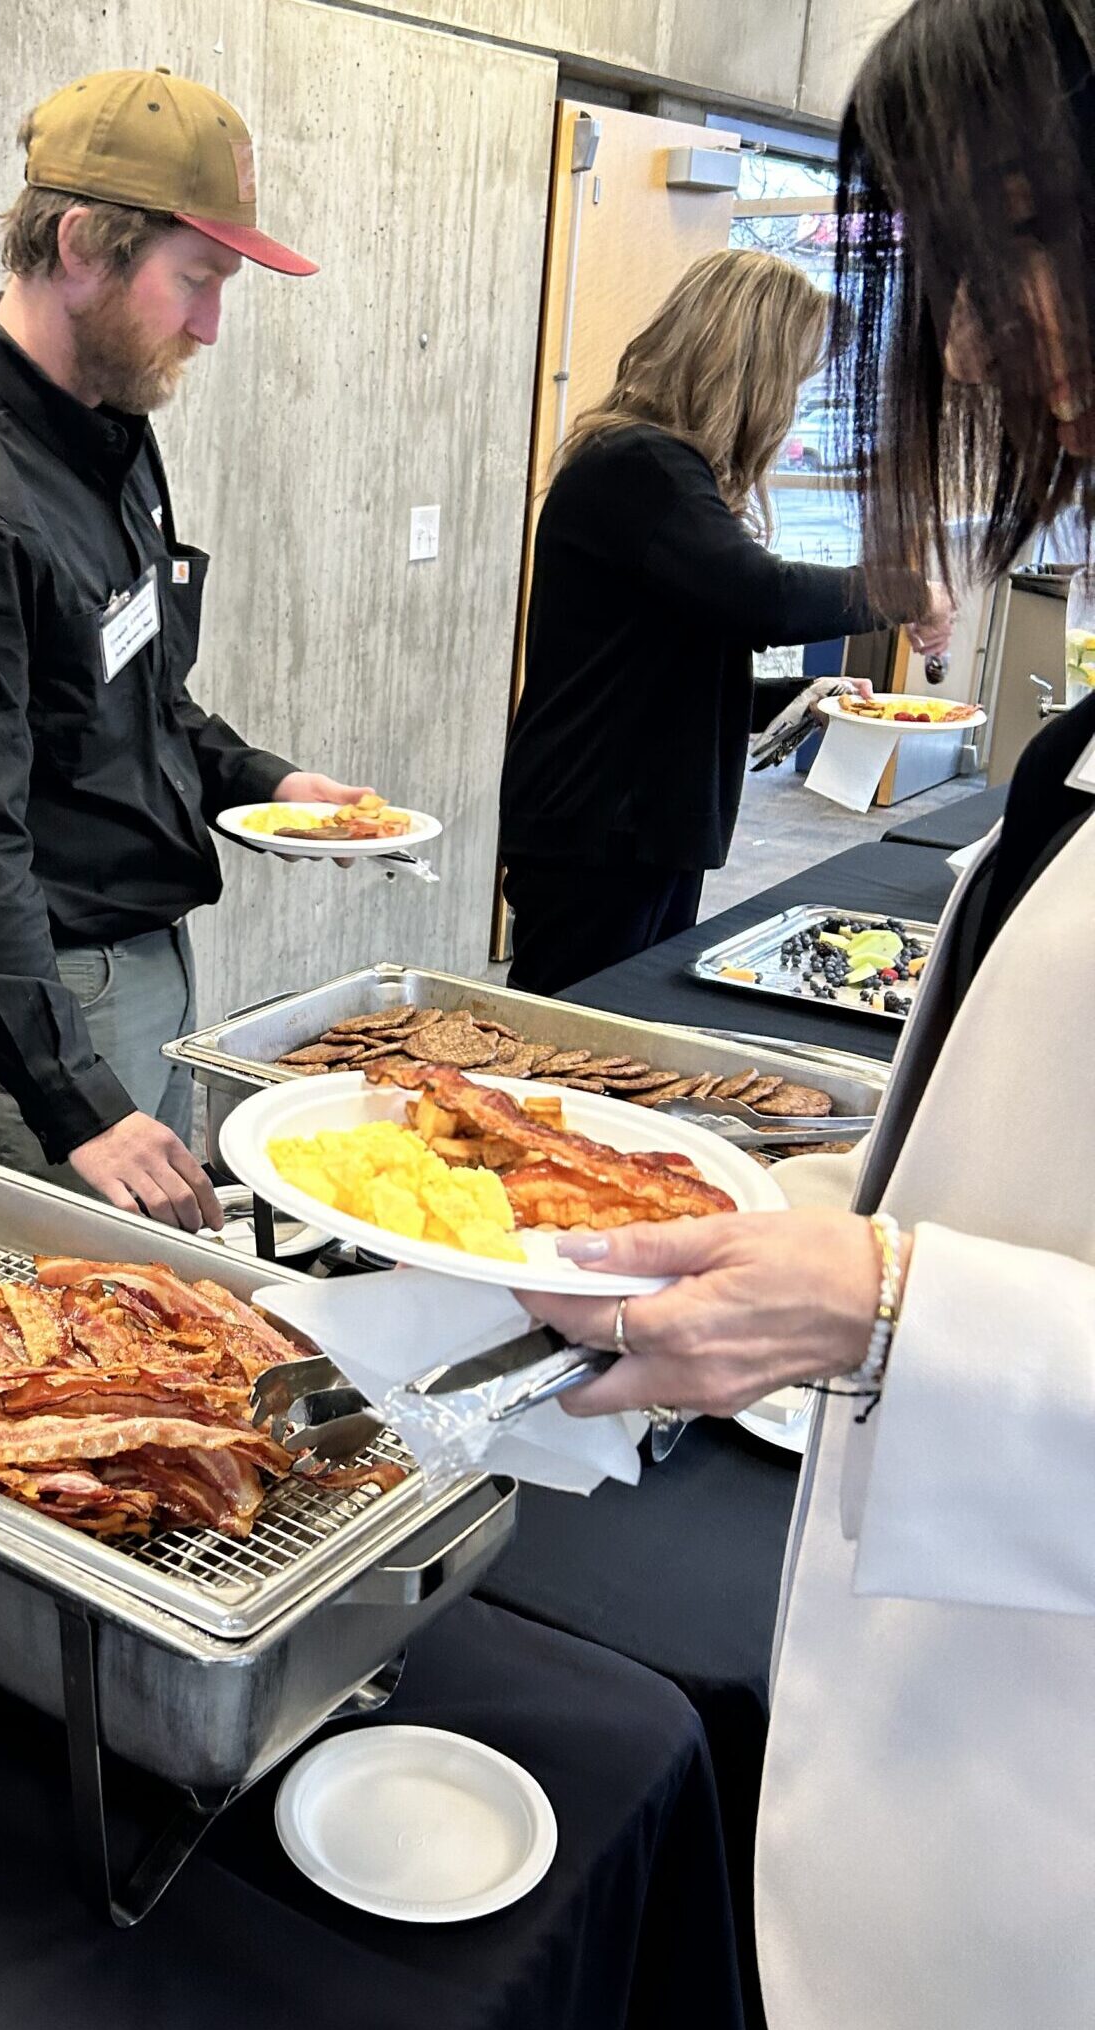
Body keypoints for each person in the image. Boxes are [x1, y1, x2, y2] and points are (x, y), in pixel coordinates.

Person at [519, 5, 1095, 2020]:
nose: (958, 348)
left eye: (1009, 230)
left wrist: (886, 1291)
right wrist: (849, 1203)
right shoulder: (627, 476)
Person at [0, 67, 370, 1231]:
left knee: (150, 1299)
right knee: (90, 1352)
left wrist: (267, 783)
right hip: (48, 998)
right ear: (82, 244)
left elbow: (139, 696)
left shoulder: (112, 436)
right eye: (197, 280)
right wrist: (79, 1101)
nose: (212, 323)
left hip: (134, 968)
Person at [497, 249, 952, 995]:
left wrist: (803, 700)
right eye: (792, 384)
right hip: (600, 830)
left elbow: (673, 661)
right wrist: (905, 590)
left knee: (619, 1035)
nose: (790, 409)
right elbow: (761, 596)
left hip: (632, 826)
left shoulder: (662, 473)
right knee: (574, 1043)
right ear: (748, 370)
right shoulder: (640, 464)